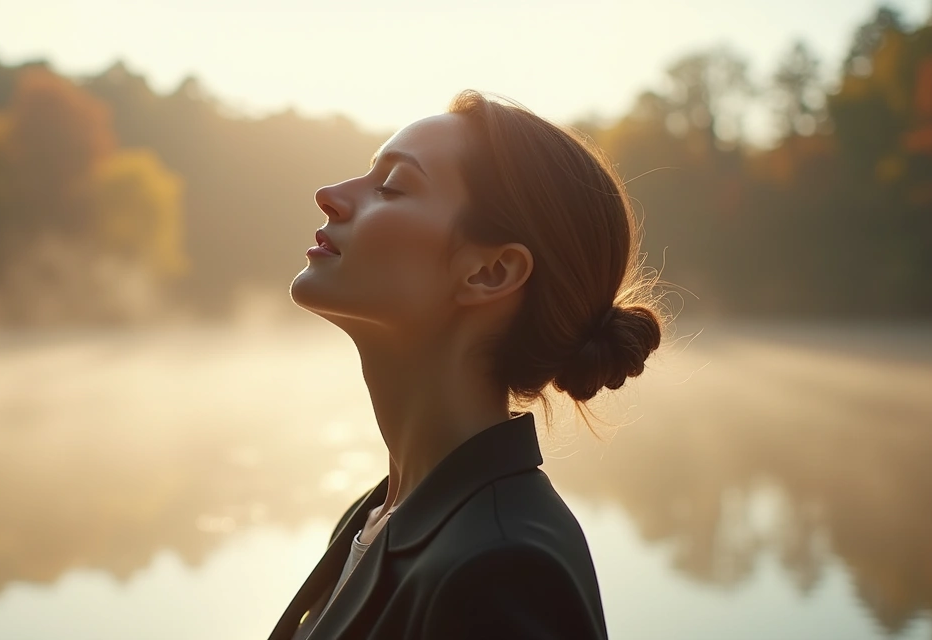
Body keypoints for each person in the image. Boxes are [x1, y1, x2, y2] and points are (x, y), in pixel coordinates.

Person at [268, 90, 664, 640]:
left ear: (491, 272)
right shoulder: (374, 517)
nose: (329, 195)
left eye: (392, 186)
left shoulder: (506, 571)